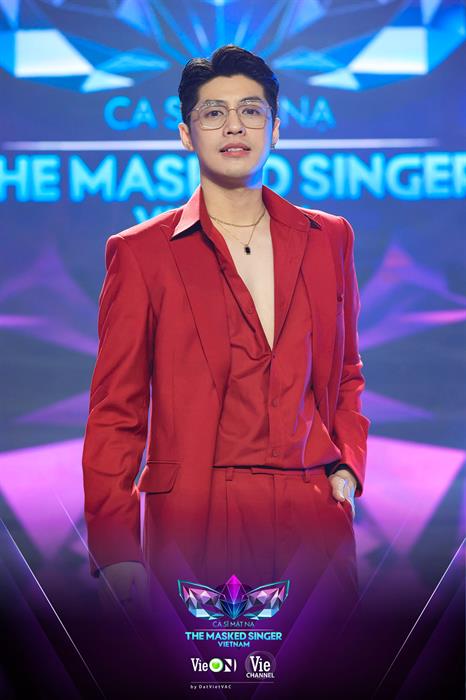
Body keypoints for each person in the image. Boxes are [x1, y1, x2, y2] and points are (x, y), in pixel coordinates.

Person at [82, 44, 370, 643]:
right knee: (207, 678)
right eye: (214, 113)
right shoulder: (140, 253)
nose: (234, 126)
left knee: (330, 674)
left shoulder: (329, 238)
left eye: (251, 111)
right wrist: (116, 549)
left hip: (313, 509)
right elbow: (116, 412)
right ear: (186, 134)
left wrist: (347, 465)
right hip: (197, 513)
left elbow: (346, 371)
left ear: (276, 128)